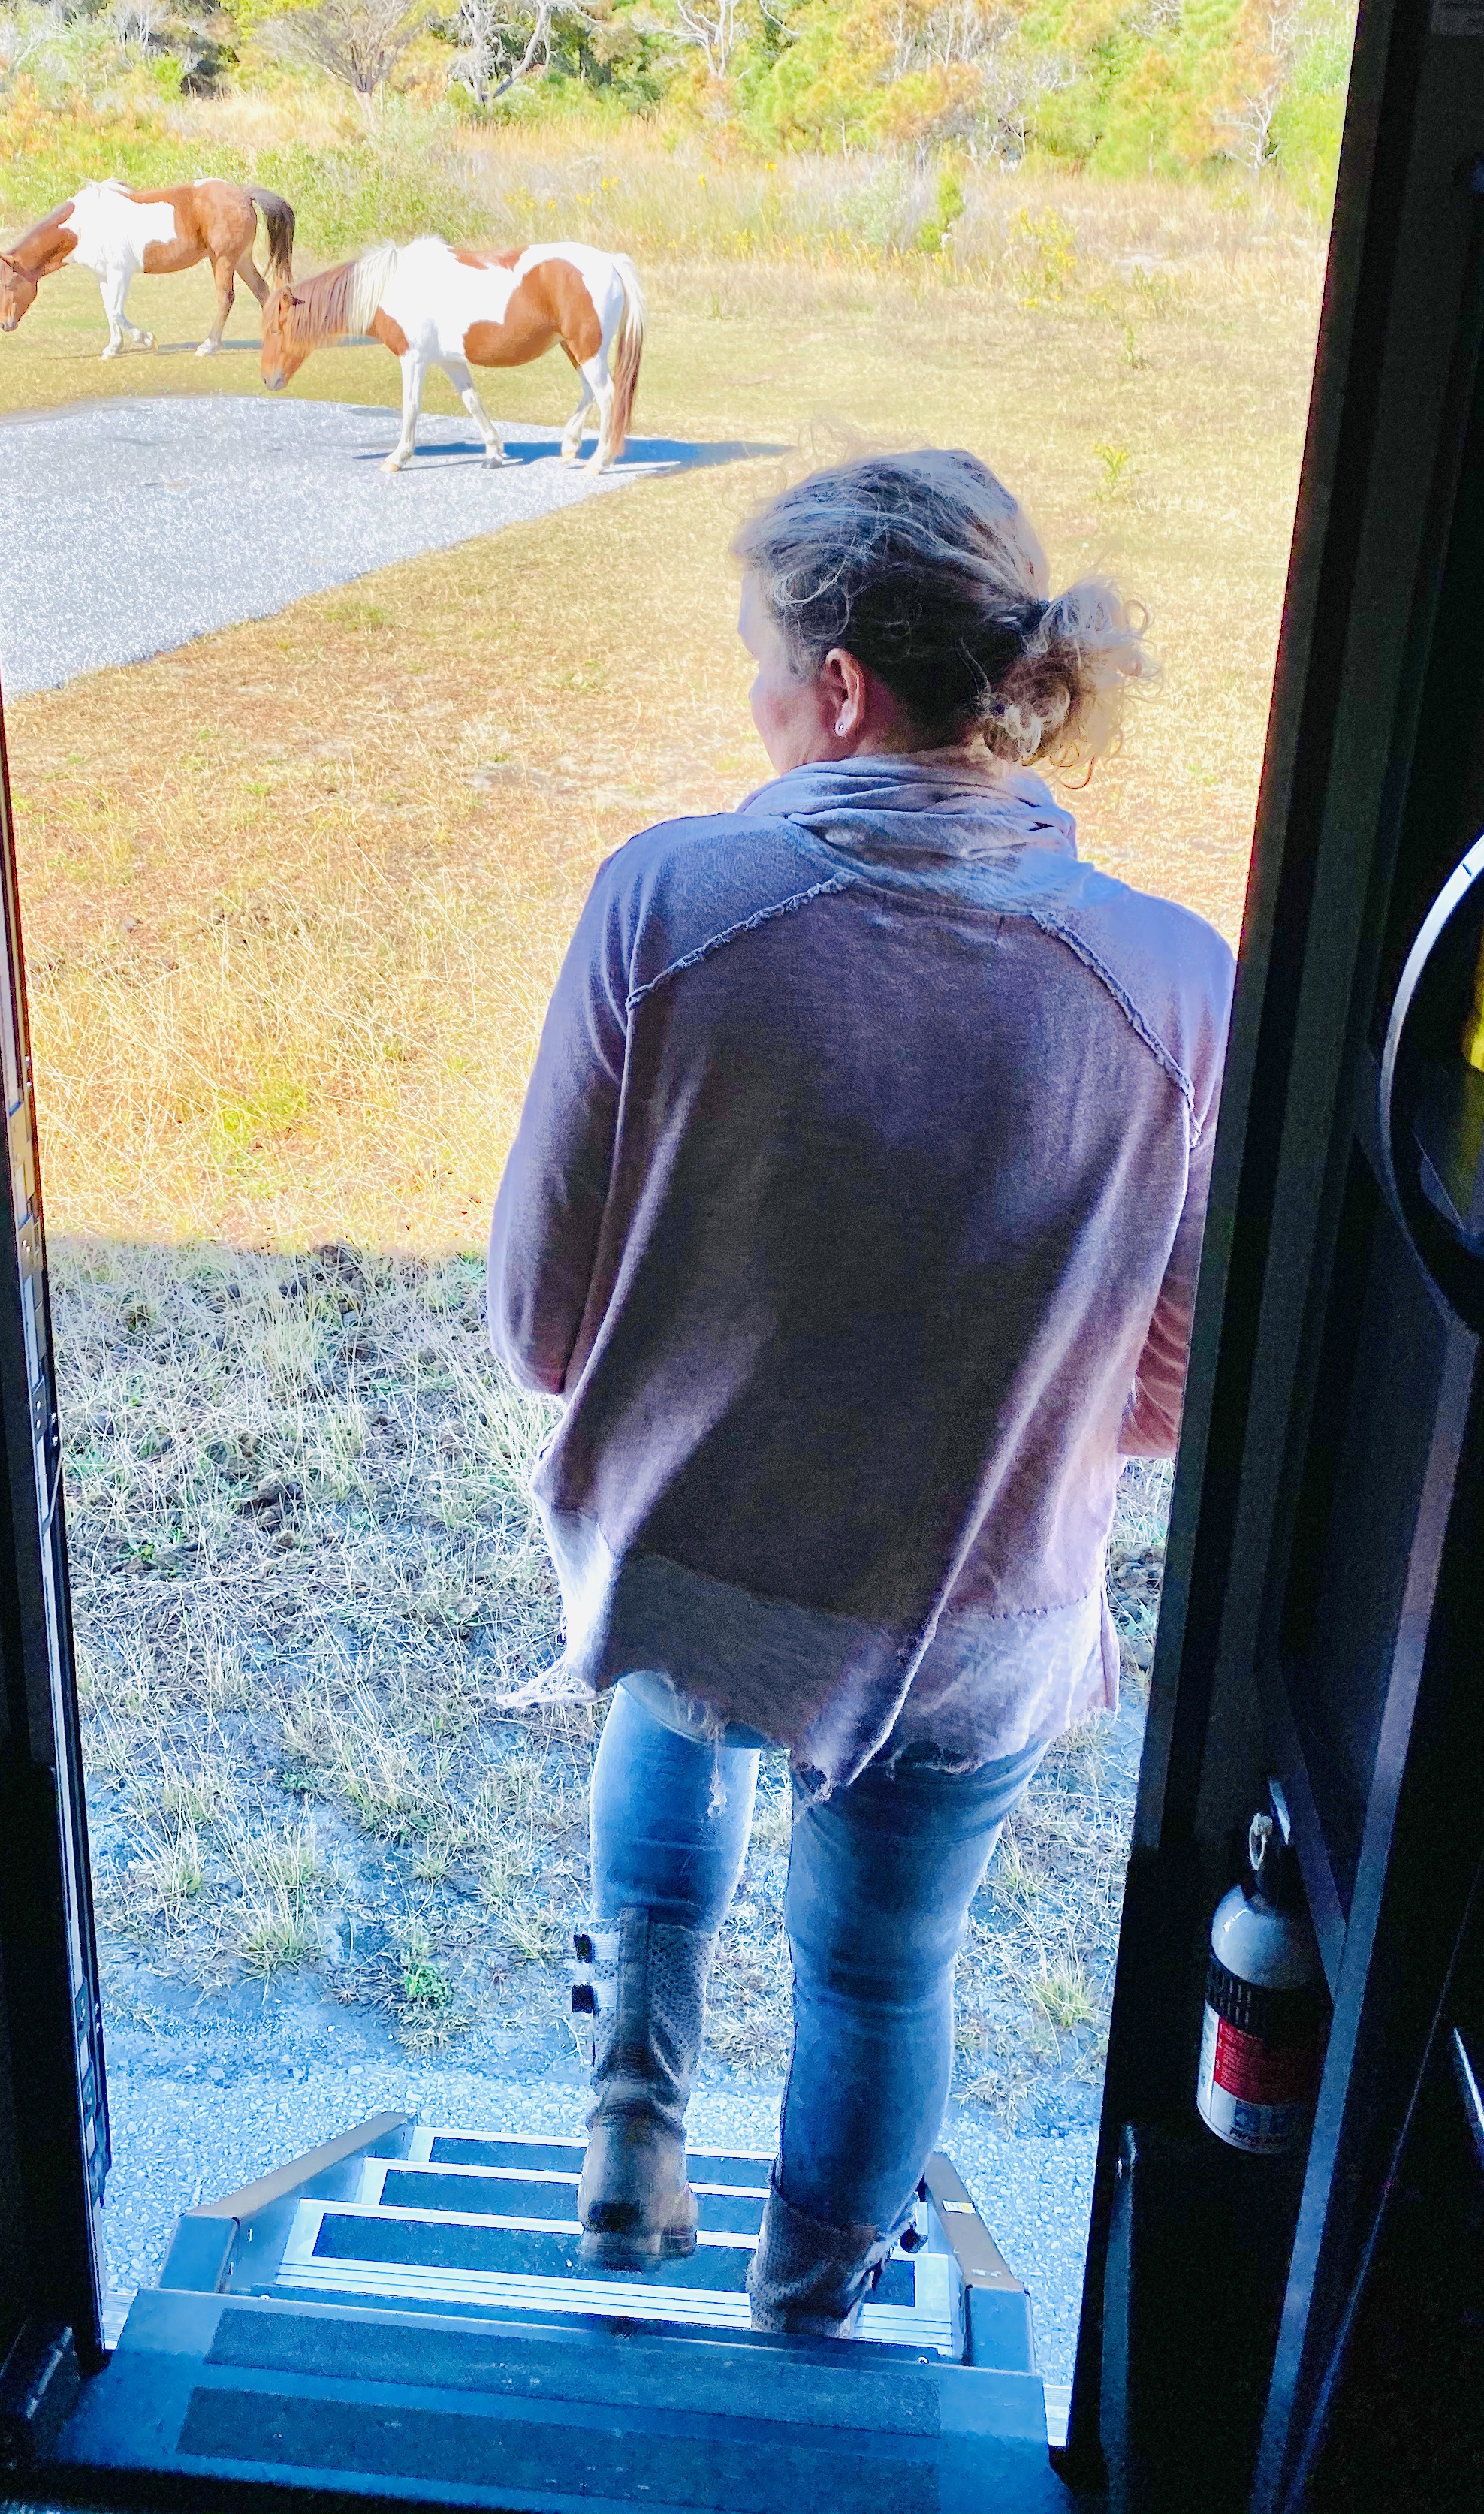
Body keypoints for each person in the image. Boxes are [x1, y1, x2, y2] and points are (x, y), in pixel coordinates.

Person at [487, 448, 1233, 2336]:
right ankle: (813, 2298)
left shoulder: (667, 901)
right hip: (973, 1618)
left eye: (760, 664)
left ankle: (627, 2145)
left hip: (701, 1554)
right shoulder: (1171, 978)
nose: (754, 706)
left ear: (836, 689)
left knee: (676, 1708)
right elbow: (1166, 1376)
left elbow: (539, 1310)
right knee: (890, 1974)